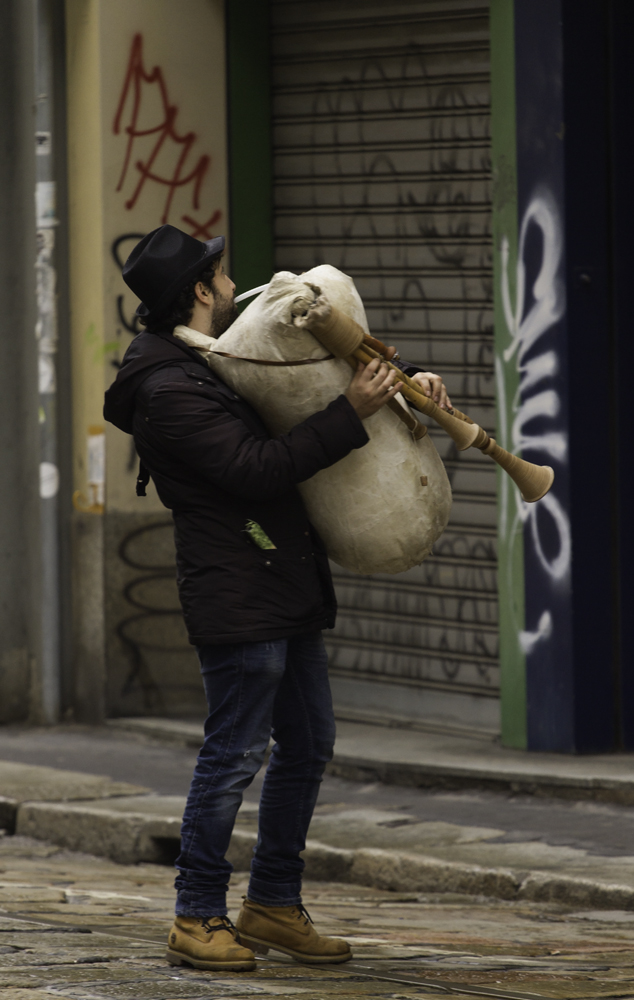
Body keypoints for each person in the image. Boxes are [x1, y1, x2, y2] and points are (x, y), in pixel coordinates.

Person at [104, 225, 451, 974]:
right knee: (234, 756)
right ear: (200, 291)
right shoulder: (169, 388)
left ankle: (273, 902)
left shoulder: (214, 361)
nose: (234, 284)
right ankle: (196, 916)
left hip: (281, 582)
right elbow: (256, 468)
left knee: (308, 744)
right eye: (222, 274)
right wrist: (352, 413)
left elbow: (302, 378)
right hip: (240, 593)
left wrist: (403, 376)